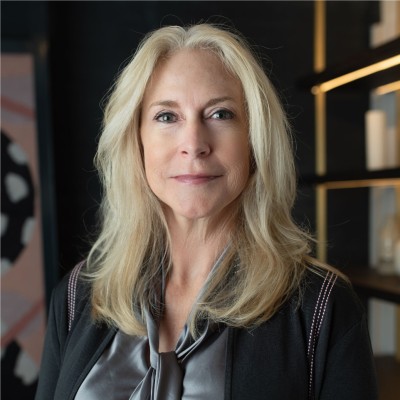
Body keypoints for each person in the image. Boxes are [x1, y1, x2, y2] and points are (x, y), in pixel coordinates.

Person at [35, 23, 378, 400]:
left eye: (220, 114)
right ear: (136, 139)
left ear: (254, 139)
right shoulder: (77, 295)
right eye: (167, 116)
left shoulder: (323, 307)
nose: (194, 144)